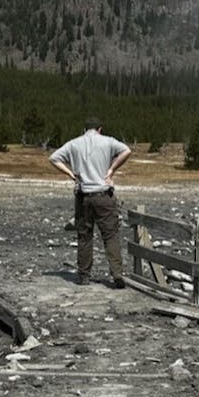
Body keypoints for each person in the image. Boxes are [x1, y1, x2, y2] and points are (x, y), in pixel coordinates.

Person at [49, 116, 132, 288]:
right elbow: (126, 151)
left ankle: (84, 276)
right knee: (110, 235)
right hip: (103, 194)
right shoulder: (108, 141)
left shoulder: (74, 144)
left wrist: (71, 174)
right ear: (100, 129)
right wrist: (111, 170)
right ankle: (117, 274)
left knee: (84, 236)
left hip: (83, 194)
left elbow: (54, 158)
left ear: (84, 130)